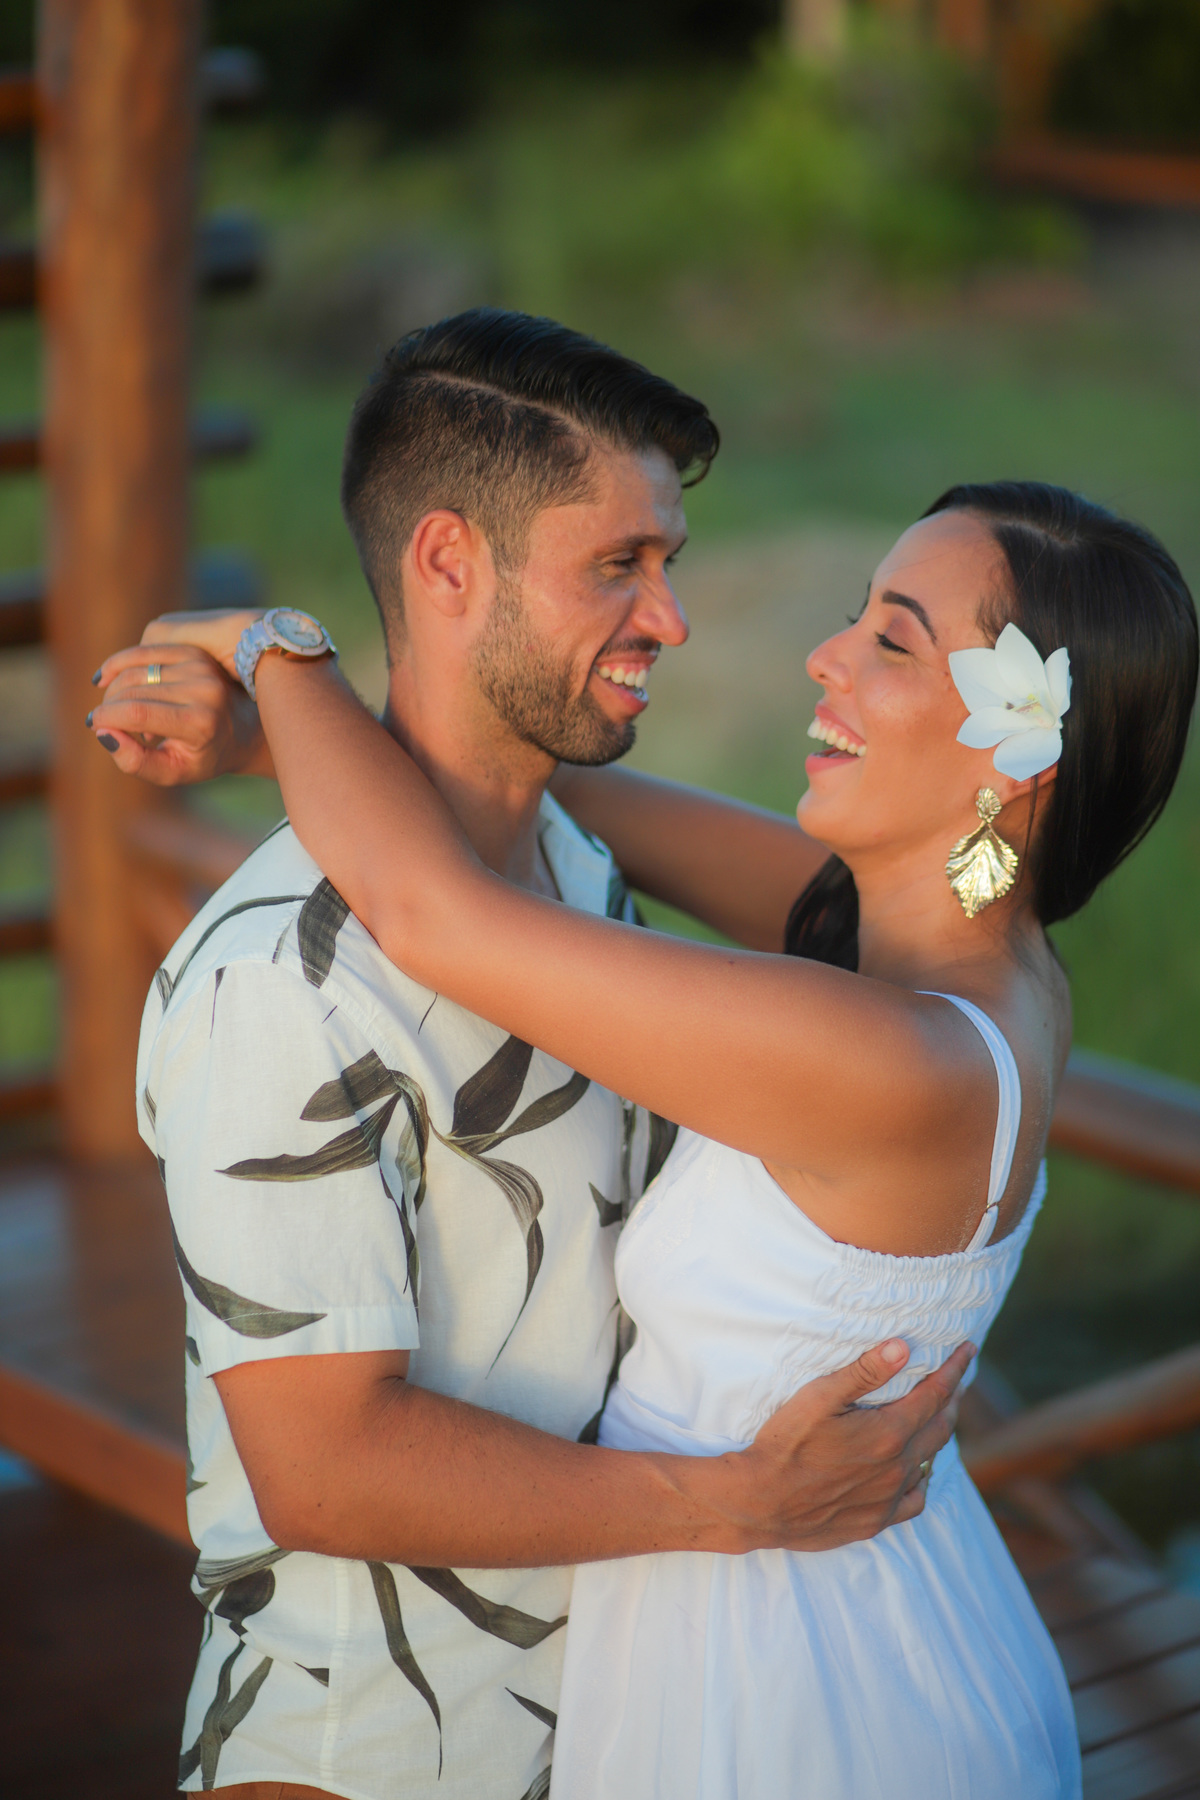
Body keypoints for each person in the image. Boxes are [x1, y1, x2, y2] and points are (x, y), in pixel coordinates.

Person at [94, 476, 1198, 1798]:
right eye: (858, 615)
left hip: (794, 1680)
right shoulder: (965, 961)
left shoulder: (892, 1060)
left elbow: (434, 915)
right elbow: (539, 788)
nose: (825, 654)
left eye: (894, 641)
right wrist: (308, 742)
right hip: (853, 1601)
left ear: (1021, 752)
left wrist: (281, 652)